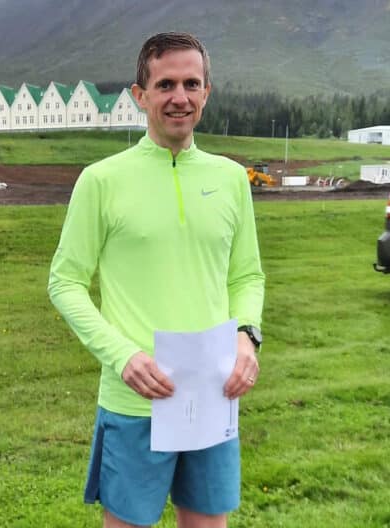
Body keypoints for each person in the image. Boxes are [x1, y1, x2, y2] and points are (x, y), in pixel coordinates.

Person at [48, 32, 265, 528]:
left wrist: (247, 336)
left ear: (207, 92)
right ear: (140, 95)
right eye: (165, 85)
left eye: (192, 84)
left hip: (213, 395)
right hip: (136, 398)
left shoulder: (232, 178)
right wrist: (122, 356)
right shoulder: (101, 180)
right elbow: (65, 282)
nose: (179, 97)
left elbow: (247, 275)